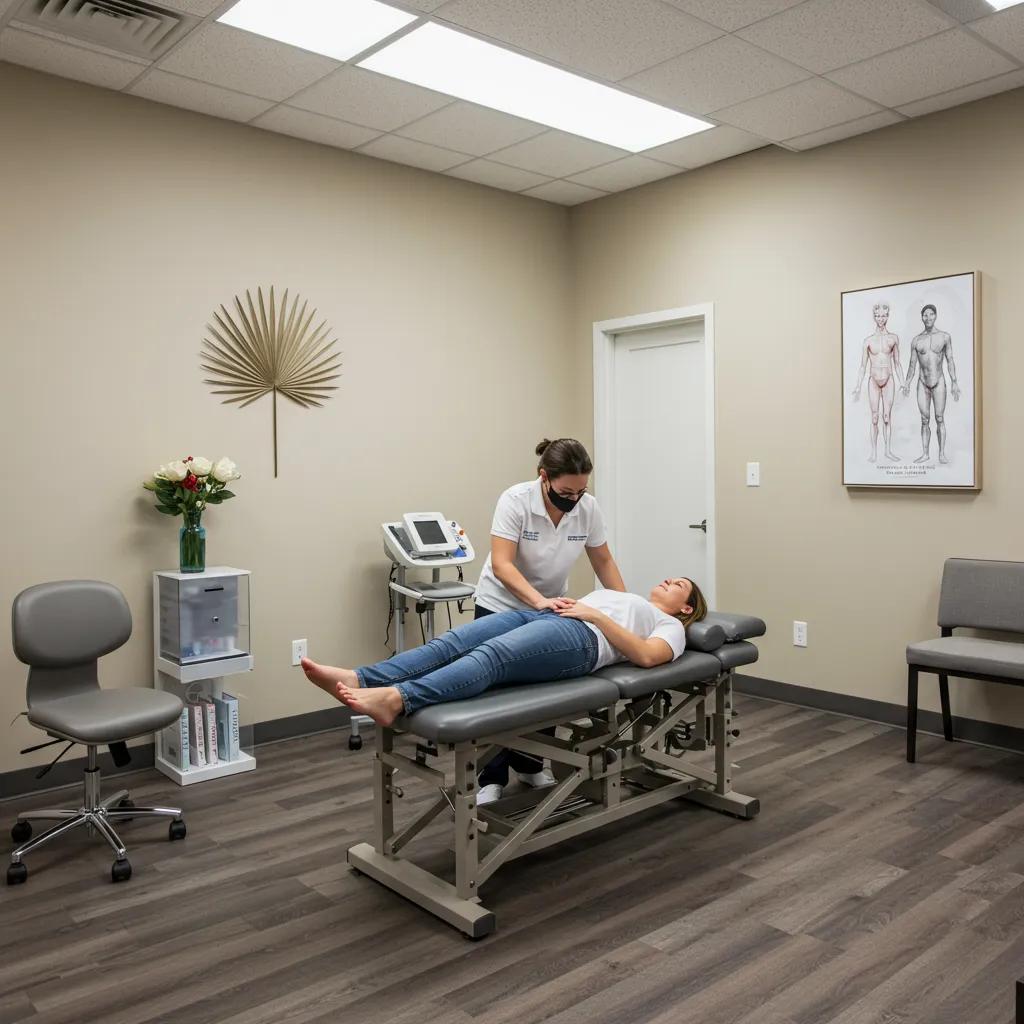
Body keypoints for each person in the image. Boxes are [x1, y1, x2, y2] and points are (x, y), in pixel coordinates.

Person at [300, 577, 707, 733]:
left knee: (491, 657)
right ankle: (362, 678)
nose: (667, 580)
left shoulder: (671, 626)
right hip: (552, 616)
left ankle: (397, 699)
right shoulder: (633, 598)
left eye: (678, 585)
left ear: (686, 607)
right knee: (452, 642)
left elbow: (647, 657)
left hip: (584, 640)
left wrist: (595, 615)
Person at [471, 438, 627, 802]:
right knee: (497, 692)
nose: (574, 499)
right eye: (566, 492)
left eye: (580, 491)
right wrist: (538, 601)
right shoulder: (515, 500)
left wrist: (625, 606)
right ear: (544, 477)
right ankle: (490, 777)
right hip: (501, 603)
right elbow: (502, 564)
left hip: (549, 606)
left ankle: (530, 766)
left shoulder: (587, 508)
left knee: (542, 689)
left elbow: (603, 560)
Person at [902, 304, 960, 465]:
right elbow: (912, 365)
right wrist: (907, 382)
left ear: (936, 316)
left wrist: (954, 382)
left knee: (940, 418)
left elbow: (950, 360)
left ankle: (941, 454)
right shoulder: (916, 340)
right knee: (924, 419)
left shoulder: (944, 337)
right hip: (922, 382)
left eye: (931, 314)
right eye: (925, 315)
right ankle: (925, 454)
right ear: (922, 318)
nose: (928, 318)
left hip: (939, 381)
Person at [852, 302, 905, 463]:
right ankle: (874, 452)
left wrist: (903, 382)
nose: (880, 319)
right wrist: (858, 385)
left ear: (887, 316)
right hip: (873, 381)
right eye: (877, 316)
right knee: (874, 417)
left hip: (888, 379)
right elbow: (863, 366)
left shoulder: (893, 338)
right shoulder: (868, 341)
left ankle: (888, 451)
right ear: (874, 317)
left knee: (887, 417)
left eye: (883, 316)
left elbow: (897, 363)